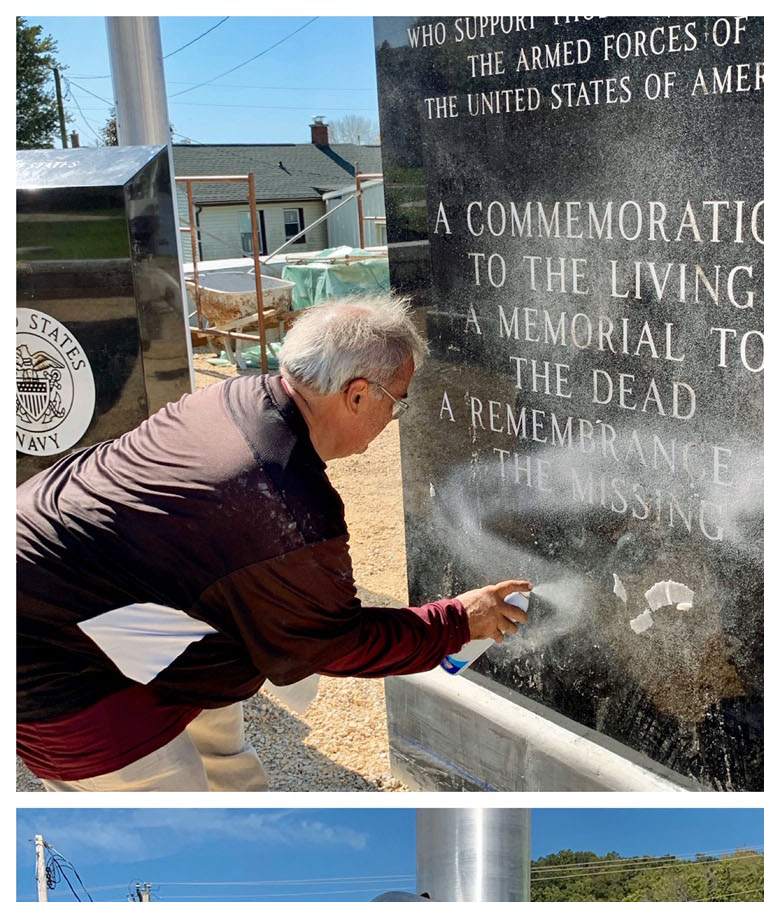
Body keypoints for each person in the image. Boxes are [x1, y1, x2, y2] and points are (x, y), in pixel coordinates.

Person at [17, 294, 531, 790]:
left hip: (92, 590)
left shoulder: (233, 397)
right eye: (397, 403)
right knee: (166, 798)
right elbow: (331, 643)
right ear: (356, 395)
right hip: (50, 658)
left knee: (222, 738)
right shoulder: (283, 499)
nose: (393, 420)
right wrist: (459, 622)